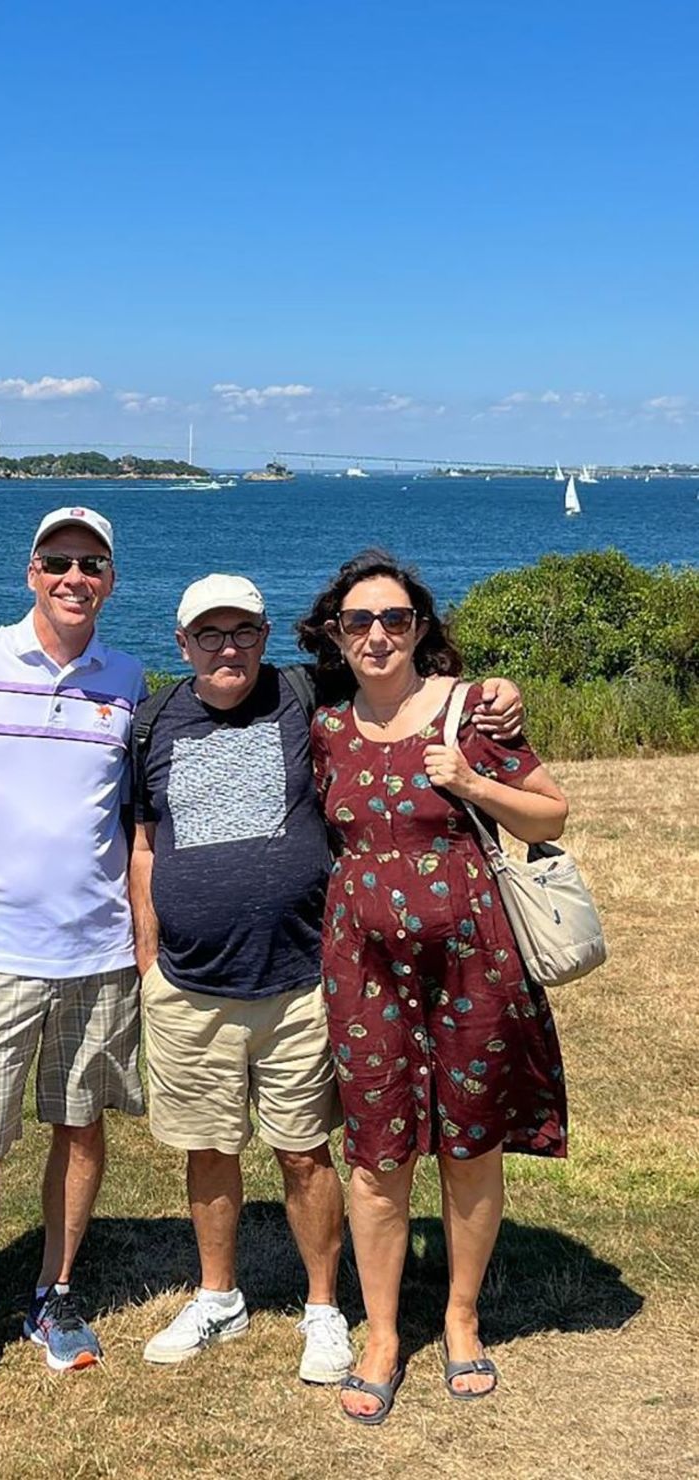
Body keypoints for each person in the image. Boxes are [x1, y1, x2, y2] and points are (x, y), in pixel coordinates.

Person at [130, 574, 524, 1385]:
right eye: (210, 634)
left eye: (243, 631)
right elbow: (142, 843)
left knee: (306, 1151)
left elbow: (408, 676)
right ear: (182, 644)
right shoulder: (151, 722)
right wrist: (147, 956)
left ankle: (322, 1308)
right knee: (208, 1147)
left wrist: (497, 689)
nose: (227, 647)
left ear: (269, 635)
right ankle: (217, 1294)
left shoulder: (307, 693)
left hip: (302, 974)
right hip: (189, 982)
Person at [297, 549, 568, 1426]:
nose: (377, 635)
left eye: (396, 619)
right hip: (363, 969)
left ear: (421, 628)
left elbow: (551, 812)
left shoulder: (466, 712)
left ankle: (458, 1318)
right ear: (335, 635)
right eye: (359, 621)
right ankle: (381, 1333)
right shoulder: (324, 727)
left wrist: (474, 780)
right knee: (377, 1152)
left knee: (469, 1145)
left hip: (473, 962)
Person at [0, 507, 146, 1407]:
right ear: (29, 571)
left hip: (98, 952)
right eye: (57, 560)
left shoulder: (128, 680)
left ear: (110, 580)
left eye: (90, 563)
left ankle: (53, 1295)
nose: (73, 576)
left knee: (79, 1127)